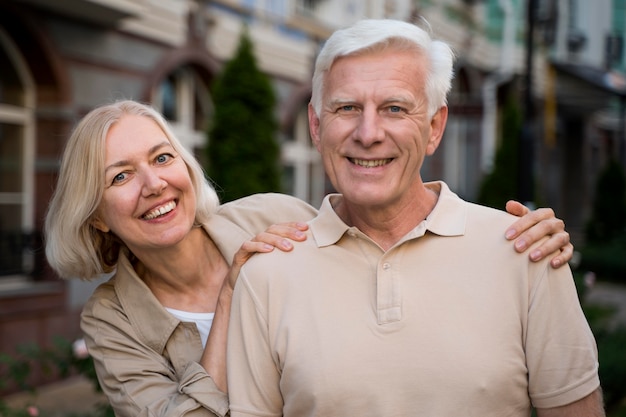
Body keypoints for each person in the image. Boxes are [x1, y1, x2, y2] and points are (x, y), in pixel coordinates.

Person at [43, 98, 571, 417]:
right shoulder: (111, 319)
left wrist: (507, 240)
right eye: (121, 175)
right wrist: (232, 297)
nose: (154, 184)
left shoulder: (273, 214)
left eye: (162, 158)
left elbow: (383, 246)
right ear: (95, 215)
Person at [226, 19, 604, 417]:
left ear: (434, 127)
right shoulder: (267, 275)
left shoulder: (525, 252)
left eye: (394, 108)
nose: (368, 133)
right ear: (317, 126)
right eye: (347, 107)